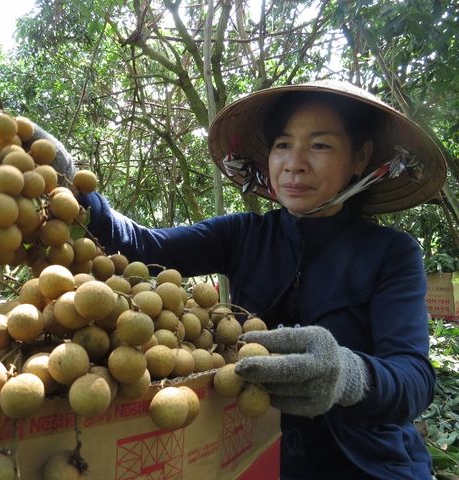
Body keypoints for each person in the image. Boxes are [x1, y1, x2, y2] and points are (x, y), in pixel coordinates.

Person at [35, 81, 445, 479]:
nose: (295, 162)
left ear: (361, 157)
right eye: (283, 144)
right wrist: (69, 180)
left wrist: (348, 375)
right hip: (252, 454)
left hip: (366, 463)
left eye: (320, 145)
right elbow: (143, 246)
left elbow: (414, 379)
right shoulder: (243, 234)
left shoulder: (393, 253)